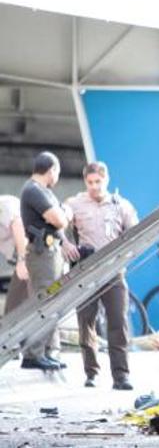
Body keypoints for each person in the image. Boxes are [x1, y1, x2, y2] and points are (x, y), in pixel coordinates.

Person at [65, 162, 138, 390]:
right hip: (85, 271)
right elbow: (57, 223)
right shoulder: (74, 204)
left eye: (98, 182)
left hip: (113, 272)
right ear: (85, 182)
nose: (94, 187)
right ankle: (92, 373)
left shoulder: (121, 205)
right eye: (90, 182)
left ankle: (121, 376)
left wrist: (125, 258)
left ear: (106, 180)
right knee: (86, 323)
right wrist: (65, 244)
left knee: (118, 322)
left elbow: (135, 233)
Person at [19, 151, 70, 371]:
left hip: (50, 253)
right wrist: (65, 214)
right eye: (57, 172)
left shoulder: (43, 191)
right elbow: (59, 220)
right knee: (44, 303)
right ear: (52, 170)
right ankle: (32, 354)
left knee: (52, 303)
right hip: (42, 255)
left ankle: (44, 352)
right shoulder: (34, 190)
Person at [1, 195, 29, 315]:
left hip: (32, 256)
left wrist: (21, 260)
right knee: (13, 308)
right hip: (20, 259)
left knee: (13, 308)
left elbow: (18, 225)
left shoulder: (4, 204)